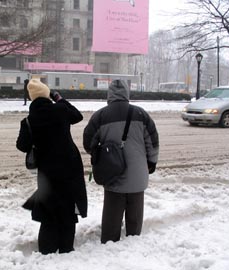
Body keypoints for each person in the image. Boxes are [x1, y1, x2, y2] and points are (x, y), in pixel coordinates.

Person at [83, 79, 159, 244]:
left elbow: (88, 143)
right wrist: (151, 163)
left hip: (112, 175)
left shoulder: (100, 116)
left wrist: (101, 152)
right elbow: (152, 142)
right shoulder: (141, 114)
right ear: (127, 93)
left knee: (112, 216)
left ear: (109, 94)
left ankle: (110, 243)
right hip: (138, 175)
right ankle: (133, 242)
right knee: (135, 217)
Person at [16, 78, 87, 254]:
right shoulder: (61, 110)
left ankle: (47, 249)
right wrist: (59, 98)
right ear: (47, 94)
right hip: (70, 167)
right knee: (68, 209)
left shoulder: (28, 121)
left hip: (47, 171)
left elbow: (22, 146)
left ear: (32, 98)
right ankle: (66, 248)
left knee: (49, 209)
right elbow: (77, 115)